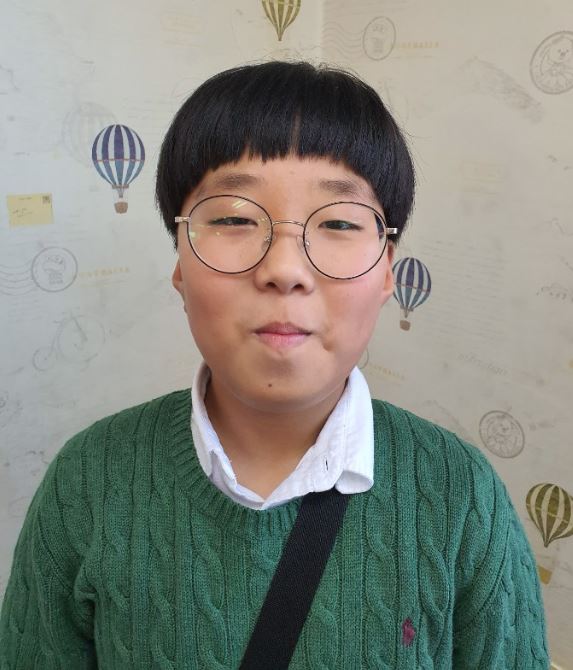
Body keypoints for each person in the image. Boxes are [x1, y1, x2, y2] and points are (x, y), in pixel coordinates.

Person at [0, 61, 549, 669]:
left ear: (387, 272)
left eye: (339, 222)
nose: (285, 269)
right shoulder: (87, 482)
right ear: (180, 262)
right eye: (234, 218)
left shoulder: (462, 496)